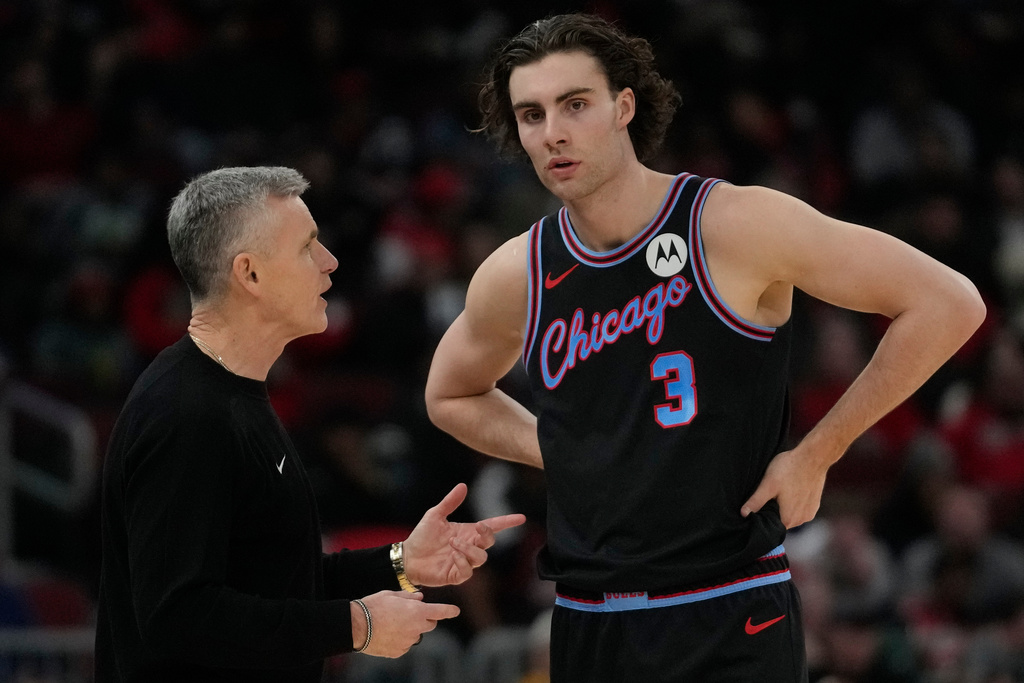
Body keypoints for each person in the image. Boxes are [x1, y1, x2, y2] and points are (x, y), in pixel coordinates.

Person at [424, 13, 985, 682]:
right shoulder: (519, 271)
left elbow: (948, 303)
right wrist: (558, 445)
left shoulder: (734, 224)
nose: (554, 133)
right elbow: (449, 393)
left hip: (728, 607)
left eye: (575, 104)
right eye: (531, 114)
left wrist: (819, 451)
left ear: (624, 106)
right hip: (589, 618)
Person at [94, 166, 526, 682]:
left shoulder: (237, 396)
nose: (330, 262)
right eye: (308, 246)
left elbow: (274, 577)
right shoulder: (185, 414)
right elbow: (176, 615)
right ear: (249, 274)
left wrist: (400, 561)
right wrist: (355, 625)